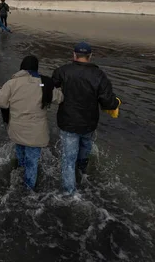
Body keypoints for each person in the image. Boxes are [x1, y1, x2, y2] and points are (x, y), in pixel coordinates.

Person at [52, 42, 121, 194]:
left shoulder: (63, 71)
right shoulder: (99, 75)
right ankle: (83, 177)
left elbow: (52, 86)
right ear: (90, 57)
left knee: (68, 160)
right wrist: (116, 102)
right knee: (84, 153)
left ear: (74, 55)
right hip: (89, 124)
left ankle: (69, 193)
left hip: (68, 123)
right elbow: (108, 103)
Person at [0, 56, 64, 190]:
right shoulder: (45, 84)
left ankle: (19, 169)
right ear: (36, 68)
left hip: (16, 130)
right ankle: (29, 189)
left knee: (20, 151)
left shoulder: (11, 83)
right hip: (36, 133)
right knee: (32, 162)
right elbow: (59, 98)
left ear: (22, 68)